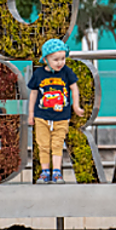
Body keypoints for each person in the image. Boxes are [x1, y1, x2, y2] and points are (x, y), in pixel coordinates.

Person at [26, 38, 83, 184]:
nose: (60, 62)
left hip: (62, 116)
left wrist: (75, 106)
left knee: (57, 144)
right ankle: (45, 172)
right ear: (46, 59)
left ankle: (56, 172)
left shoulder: (66, 72)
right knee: (43, 144)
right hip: (41, 116)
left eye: (63, 58)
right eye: (55, 59)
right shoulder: (39, 74)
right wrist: (31, 113)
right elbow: (33, 94)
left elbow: (74, 88)